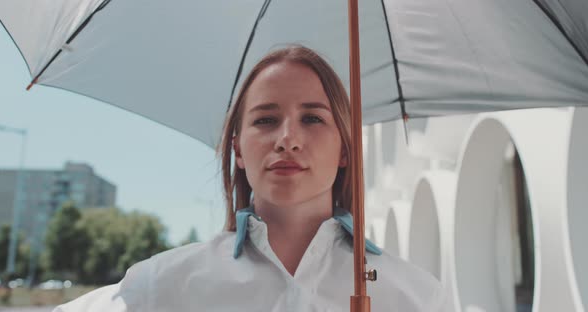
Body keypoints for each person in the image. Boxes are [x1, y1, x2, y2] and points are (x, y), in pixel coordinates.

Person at [53, 45, 449, 311]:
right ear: (238, 149)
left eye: (312, 118)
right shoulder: (162, 286)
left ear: (346, 149)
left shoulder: (416, 296)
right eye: (266, 120)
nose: (288, 140)